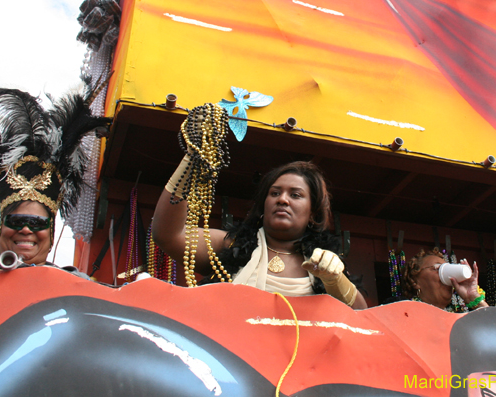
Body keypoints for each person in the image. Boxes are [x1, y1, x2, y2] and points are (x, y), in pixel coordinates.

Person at [152, 107, 366, 308]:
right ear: (263, 206)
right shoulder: (228, 245)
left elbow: (362, 314)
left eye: (296, 195)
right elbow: (168, 235)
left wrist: (334, 279)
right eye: (274, 193)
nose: (282, 199)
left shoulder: (326, 262)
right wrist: (194, 158)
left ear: (313, 214)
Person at [0, 84, 110, 276]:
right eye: (16, 221)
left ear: (51, 231)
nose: (26, 229)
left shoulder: (74, 286)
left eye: (37, 223)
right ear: (1, 226)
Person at [401, 248, 488, 312]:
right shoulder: (403, 314)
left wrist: (473, 298)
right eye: (438, 268)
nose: (448, 276)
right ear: (415, 280)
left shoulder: (460, 321)